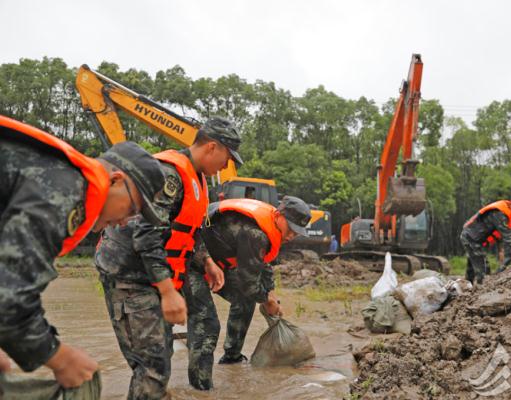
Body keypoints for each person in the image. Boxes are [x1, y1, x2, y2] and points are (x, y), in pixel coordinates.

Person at [0, 115, 166, 389]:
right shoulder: (64, 190)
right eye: (133, 209)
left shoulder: (56, 175)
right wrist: (60, 358)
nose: (126, 221)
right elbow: (9, 298)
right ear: (115, 180)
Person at [95, 116, 242, 400]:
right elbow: (145, 234)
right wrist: (167, 291)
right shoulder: (170, 174)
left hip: (153, 276)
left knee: (157, 363)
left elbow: (188, 228)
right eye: (227, 157)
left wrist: (208, 262)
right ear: (212, 147)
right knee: (152, 367)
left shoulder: (198, 179)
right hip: (130, 275)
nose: (227, 165)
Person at [184, 196, 312, 390]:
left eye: (297, 233)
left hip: (217, 263)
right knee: (207, 324)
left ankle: (231, 358)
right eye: (291, 229)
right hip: (191, 259)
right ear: (279, 215)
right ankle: (200, 389)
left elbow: (263, 265)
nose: (291, 236)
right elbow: (248, 284)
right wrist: (266, 301)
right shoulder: (256, 233)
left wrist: (270, 292)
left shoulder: (268, 228)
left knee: (245, 300)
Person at [460, 194, 511, 284]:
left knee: (471, 267)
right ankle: (481, 291)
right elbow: (507, 236)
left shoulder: (507, 214)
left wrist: (501, 250)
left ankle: (467, 287)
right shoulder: (499, 213)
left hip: (477, 240)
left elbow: (499, 235)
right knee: (482, 269)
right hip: (471, 238)